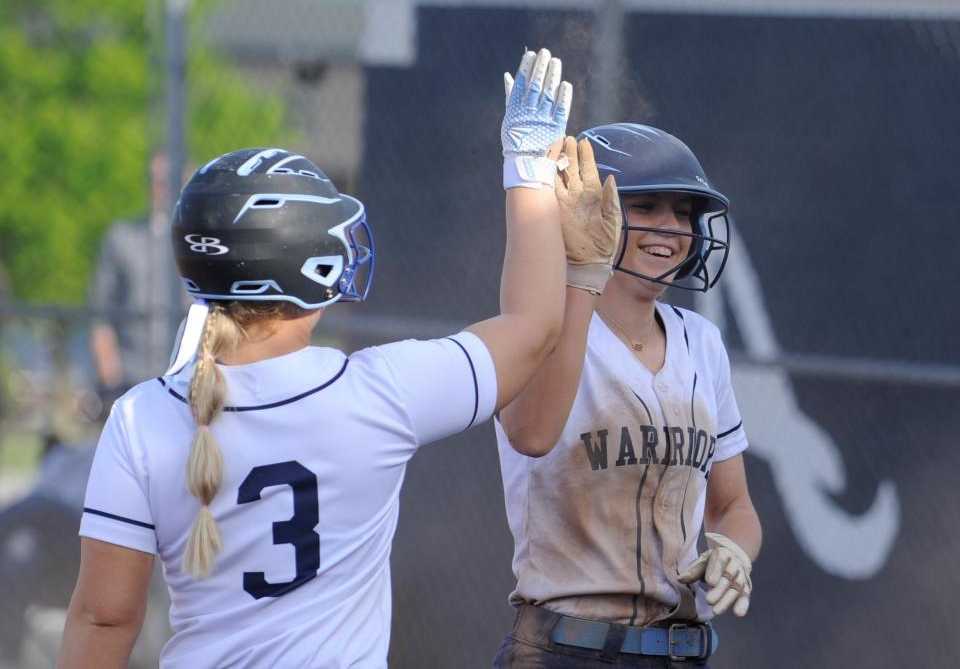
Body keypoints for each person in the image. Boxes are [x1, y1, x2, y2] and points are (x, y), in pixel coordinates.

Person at [56, 47, 604, 668]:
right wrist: (527, 169)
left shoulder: (141, 415)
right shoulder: (378, 392)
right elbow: (533, 328)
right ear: (309, 271)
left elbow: (105, 616)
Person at [493, 124, 763, 668]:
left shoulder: (701, 342)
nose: (674, 227)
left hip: (682, 653)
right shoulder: (544, 326)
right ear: (591, 207)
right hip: (565, 650)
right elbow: (528, 434)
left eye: (684, 211)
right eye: (648, 206)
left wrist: (735, 550)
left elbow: (734, 505)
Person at [89, 151, 189, 409]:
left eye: (170, 181)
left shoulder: (199, 242)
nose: (163, 188)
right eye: (156, 180)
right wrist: (111, 384)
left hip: (188, 380)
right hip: (132, 382)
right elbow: (101, 315)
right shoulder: (122, 238)